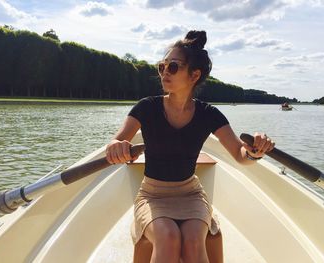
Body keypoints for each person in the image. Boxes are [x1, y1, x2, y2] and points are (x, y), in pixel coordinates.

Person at [105, 30, 275, 263]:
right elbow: (118, 140)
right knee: (168, 237)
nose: (165, 71)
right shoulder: (146, 108)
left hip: (191, 193)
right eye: (162, 66)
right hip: (153, 195)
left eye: (173, 66)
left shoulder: (209, 114)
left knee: (194, 240)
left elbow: (240, 153)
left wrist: (256, 152)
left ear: (194, 75)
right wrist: (115, 147)